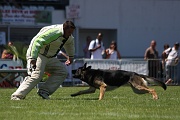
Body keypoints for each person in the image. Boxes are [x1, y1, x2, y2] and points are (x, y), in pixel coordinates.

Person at [11, 20, 76, 100]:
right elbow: (36, 41)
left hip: (50, 57)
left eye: (71, 32)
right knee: (36, 75)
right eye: (69, 32)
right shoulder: (54, 33)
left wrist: (71, 57)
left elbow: (70, 45)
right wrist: (33, 57)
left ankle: (44, 91)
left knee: (62, 72)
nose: (70, 34)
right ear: (64, 29)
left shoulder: (68, 37)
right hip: (39, 55)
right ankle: (17, 96)